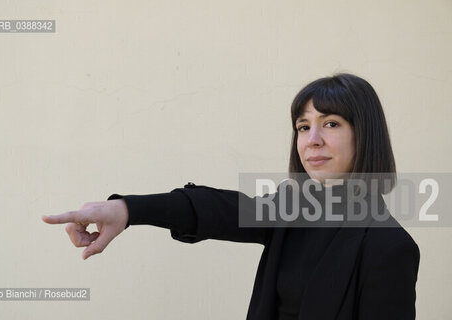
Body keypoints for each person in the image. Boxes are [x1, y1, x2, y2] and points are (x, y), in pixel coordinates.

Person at [42, 73, 420, 320]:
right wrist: (127, 209)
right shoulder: (293, 207)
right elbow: (221, 209)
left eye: (331, 124)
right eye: (303, 127)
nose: (312, 140)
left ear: (364, 133)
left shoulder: (389, 246)